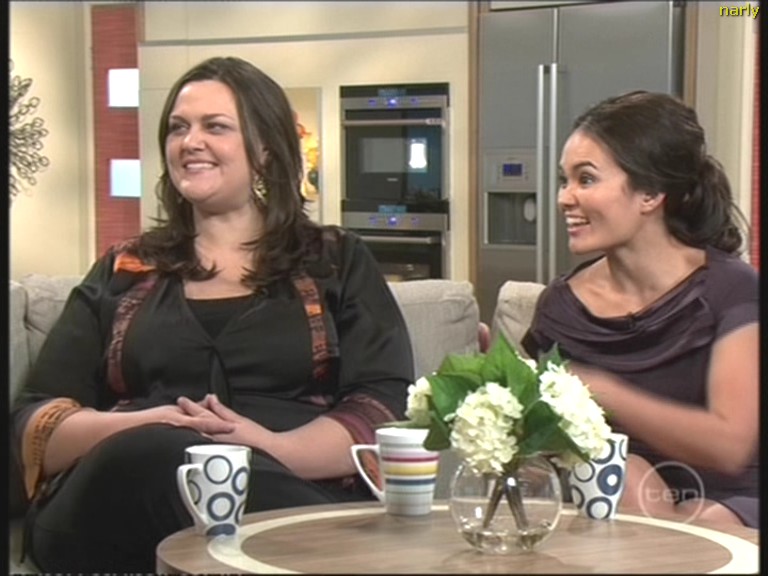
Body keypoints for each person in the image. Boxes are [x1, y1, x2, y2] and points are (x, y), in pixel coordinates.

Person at [10, 56, 414, 572]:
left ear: (265, 149)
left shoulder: (335, 259)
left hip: (290, 489)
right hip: (113, 502)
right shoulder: (125, 267)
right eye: (178, 128)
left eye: (215, 126)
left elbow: (382, 405)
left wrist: (268, 447)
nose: (190, 142)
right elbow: (36, 418)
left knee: (220, 473)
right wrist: (143, 425)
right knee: (165, 454)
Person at [521, 91, 758, 528]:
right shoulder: (559, 308)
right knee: (629, 481)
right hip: (616, 498)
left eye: (585, 179)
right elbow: (536, 439)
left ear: (650, 193)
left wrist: (602, 389)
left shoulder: (733, 291)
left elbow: (730, 447)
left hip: (731, 498)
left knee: (703, 519)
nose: (564, 198)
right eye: (564, 180)